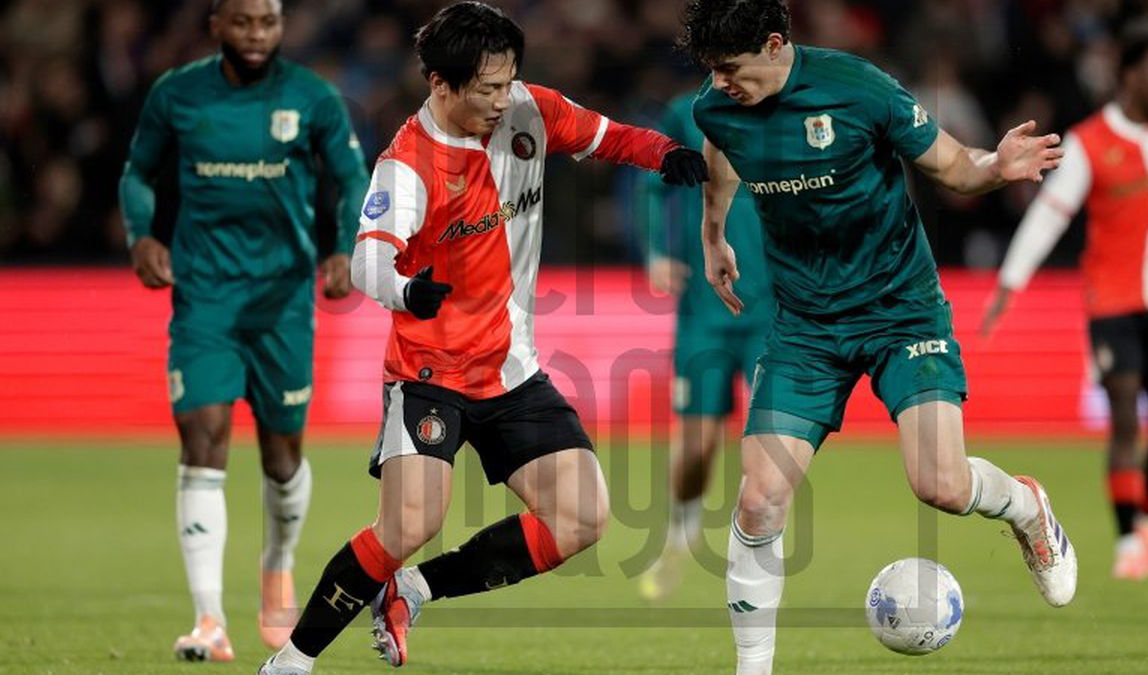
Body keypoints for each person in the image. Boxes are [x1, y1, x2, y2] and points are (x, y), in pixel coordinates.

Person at [257, 3, 708, 673]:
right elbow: (368, 261)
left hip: (512, 370)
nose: (503, 100)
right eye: (488, 88)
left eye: (509, 81)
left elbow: (607, 136)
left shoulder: (529, 110)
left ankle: (414, 589)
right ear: (440, 83)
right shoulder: (406, 165)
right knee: (408, 524)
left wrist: (664, 154)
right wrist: (407, 291)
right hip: (429, 374)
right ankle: (291, 661)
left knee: (582, 516)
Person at [678, 1, 1079, 672]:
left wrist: (996, 165)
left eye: (730, 68)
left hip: (902, 312)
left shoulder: (859, 89)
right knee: (758, 499)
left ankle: (1025, 506)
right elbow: (719, 153)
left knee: (940, 485)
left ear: (775, 45)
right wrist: (713, 234)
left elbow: (953, 167)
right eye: (711, 70)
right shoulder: (716, 107)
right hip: (806, 325)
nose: (719, 84)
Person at [118, 0, 369, 662]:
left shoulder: (312, 98)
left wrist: (344, 247)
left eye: (268, 21)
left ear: (280, 25)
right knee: (203, 438)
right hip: (205, 298)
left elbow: (352, 177)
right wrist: (142, 235)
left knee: (282, 456)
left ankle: (277, 564)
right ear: (216, 25)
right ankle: (209, 619)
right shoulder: (177, 94)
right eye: (243, 21)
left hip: (283, 300)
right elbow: (138, 172)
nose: (256, 34)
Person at [983, 27, 1148, 581]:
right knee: (1124, 414)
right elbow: (1050, 213)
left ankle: (1145, 515)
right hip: (1111, 301)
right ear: (1129, 75)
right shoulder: (1089, 141)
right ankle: (1126, 539)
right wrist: (1009, 283)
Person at [631, 92, 773, 601]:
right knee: (697, 446)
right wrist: (654, 251)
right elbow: (650, 181)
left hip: (773, 311)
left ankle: (756, 561)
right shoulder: (688, 111)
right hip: (704, 314)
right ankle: (679, 534)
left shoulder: (789, 105)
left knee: (769, 446)